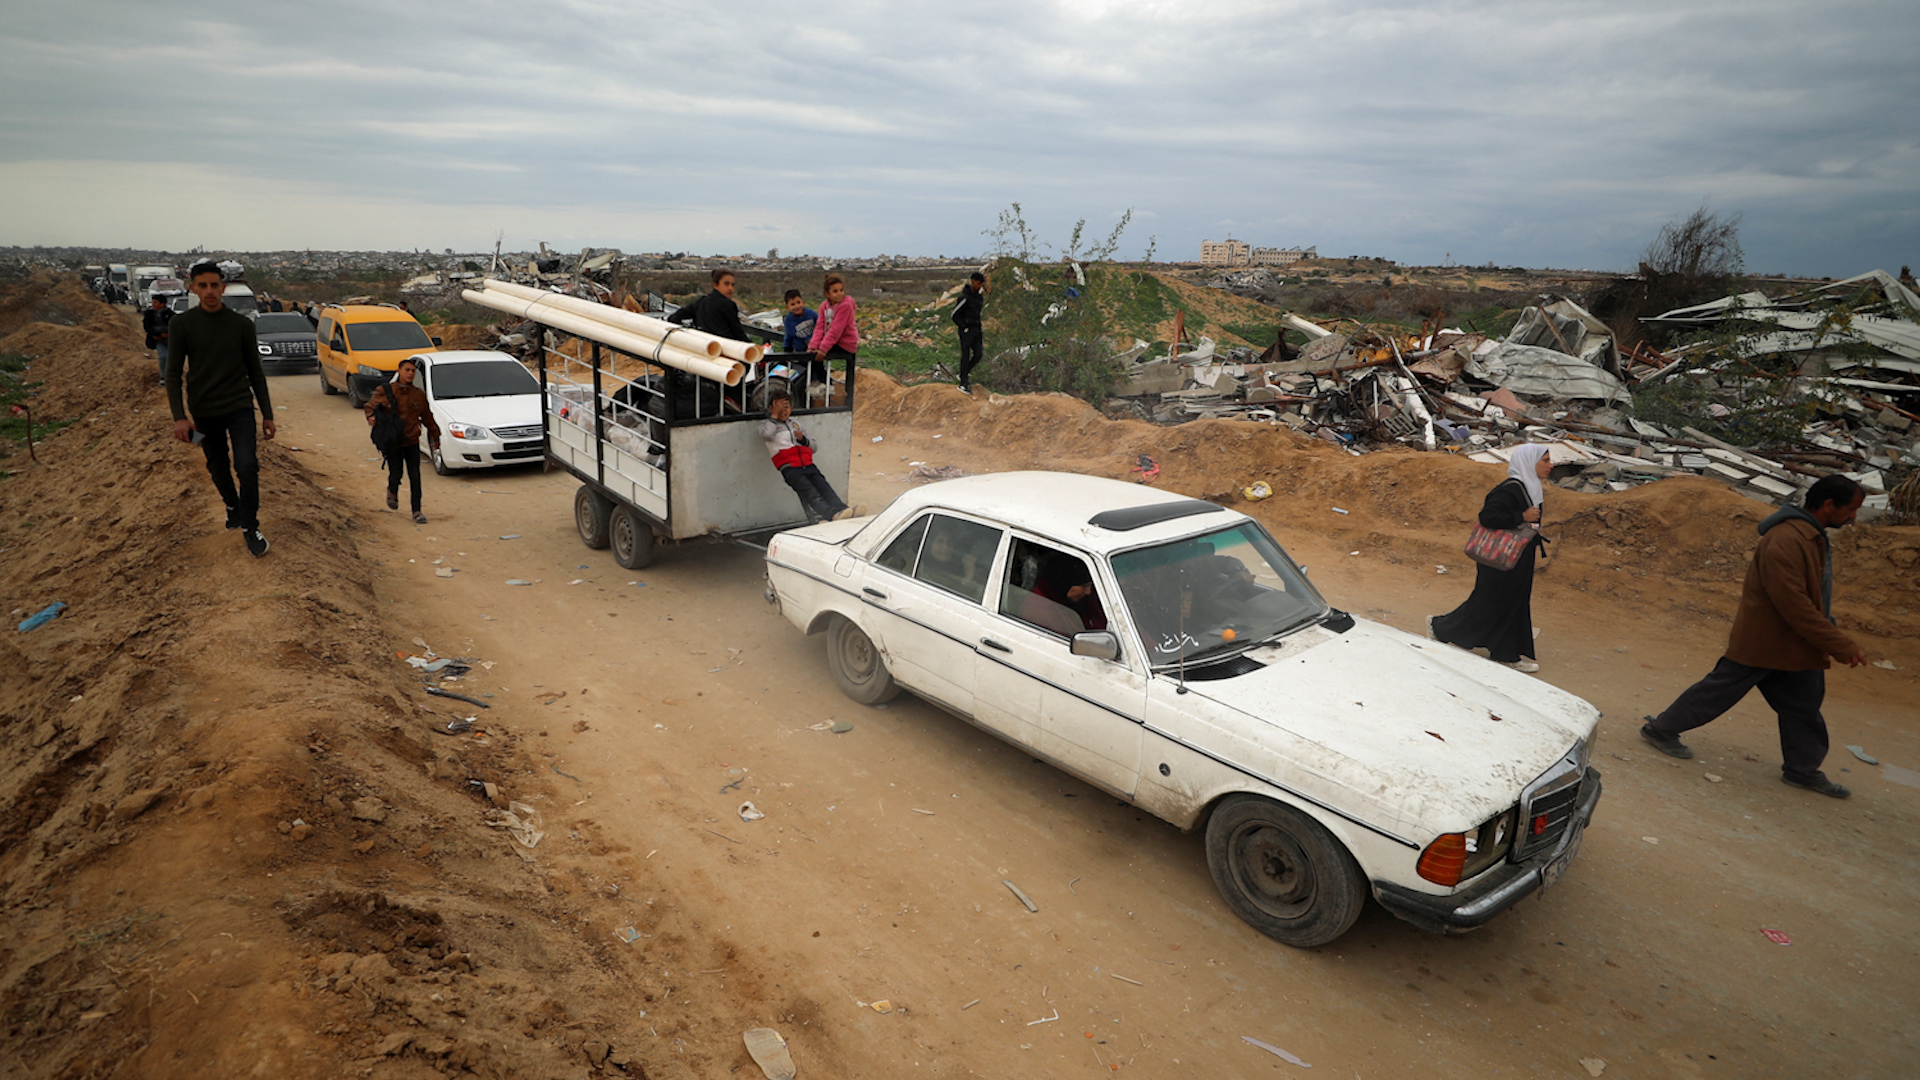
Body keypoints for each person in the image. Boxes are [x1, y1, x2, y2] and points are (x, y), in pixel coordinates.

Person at [1640, 475, 1869, 798]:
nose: (1853, 516)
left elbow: (1815, 598)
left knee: (1803, 708)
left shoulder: (1811, 537)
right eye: (1851, 509)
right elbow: (1794, 604)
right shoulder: (1786, 540)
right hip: (1766, 641)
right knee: (1718, 691)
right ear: (1829, 505)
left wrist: (1828, 634)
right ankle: (1660, 729)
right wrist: (1838, 644)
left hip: (1795, 645)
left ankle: (1803, 770)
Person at [166, 260, 274, 557]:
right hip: (202, 413)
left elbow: (255, 371)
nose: (210, 291)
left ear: (223, 288)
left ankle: (250, 526)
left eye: (215, 285)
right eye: (203, 286)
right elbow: (173, 374)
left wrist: (267, 413)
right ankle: (231, 505)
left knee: (247, 465)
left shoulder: (241, 325)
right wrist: (179, 418)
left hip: (239, 408)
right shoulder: (182, 325)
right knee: (216, 464)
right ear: (193, 288)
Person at [1428, 444, 1551, 672]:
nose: (1550, 465)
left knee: (1511, 603)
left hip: (1518, 558)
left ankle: (1505, 652)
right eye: (1545, 460)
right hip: (1500, 559)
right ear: (1529, 462)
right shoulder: (1510, 489)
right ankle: (1442, 628)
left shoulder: (1531, 488)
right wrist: (1520, 516)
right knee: (1490, 601)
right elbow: (1488, 516)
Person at [363, 357, 442, 524]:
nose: (410, 373)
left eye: (413, 371)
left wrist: (436, 438)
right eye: (407, 370)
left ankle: (417, 511)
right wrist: (371, 417)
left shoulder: (419, 395)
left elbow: (428, 418)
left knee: (415, 475)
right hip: (393, 441)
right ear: (399, 371)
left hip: (412, 440)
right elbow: (369, 406)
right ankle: (392, 490)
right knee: (396, 472)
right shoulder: (385, 390)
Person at [758, 389, 856, 524]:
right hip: (790, 468)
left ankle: (843, 510)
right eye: (779, 407)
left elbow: (814, 447)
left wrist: (803, 440)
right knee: (811, 494)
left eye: (786, 407)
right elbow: (766, 435)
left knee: (825, 488)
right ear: (771, 408)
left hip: (808, 464)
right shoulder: (766, 425)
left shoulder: (796, 424)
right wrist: (774, 416)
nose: (784, 411)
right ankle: (831, 515)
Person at [667, 269, 747, 341]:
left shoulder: (701, 302)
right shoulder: (728, 305)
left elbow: (674, 318)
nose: (730, 288)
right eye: (726, 284)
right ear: (715, 285)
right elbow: (737, 332)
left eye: (732, 285)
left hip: (702, 345)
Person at [806, 273, 859, 383]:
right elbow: (820, 327)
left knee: (817, 356)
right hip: (834, 341)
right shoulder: (824, 306)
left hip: (846, 343)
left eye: (841, 290)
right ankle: (822, 381)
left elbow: (836, 330)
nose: (839, 294)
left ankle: (826, 383)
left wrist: (823, 349)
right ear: (827, 294)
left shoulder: (845, 305)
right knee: (811, 353)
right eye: (835, 291)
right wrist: (813, 345)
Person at [952, 270, 987, 394]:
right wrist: (964, 326)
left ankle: (964, 373)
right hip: (966, 331)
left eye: (981, 284)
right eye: (978, 284)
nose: (980, 286)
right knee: (965, 355)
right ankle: (963, 383)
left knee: (978, 354)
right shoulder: (964, 297)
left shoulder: (979, 298)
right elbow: (954, 315)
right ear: (972, 282)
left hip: (977, 330)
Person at [143, 294, 174, 384]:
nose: (153, 304)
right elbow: (147, 327)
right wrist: (158, 333)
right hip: (158, 340)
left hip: (170, 340)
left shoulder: (170, 314)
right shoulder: (149, 314)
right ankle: (163, 377)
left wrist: (167, 333)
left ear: (162, 304)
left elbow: (174, 326)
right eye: (153, 302)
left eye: (155, 302)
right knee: (163, 356)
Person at [781, 289, 816, 353]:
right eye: (792, 304)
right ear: (787, 307)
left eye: (798, 302)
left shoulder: (812, 315)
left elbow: (821, 328)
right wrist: (787, 350)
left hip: (815, 350)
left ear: (803, 302)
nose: (796, 306)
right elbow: (788, 337)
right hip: (800, 352)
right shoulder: (788, 320)